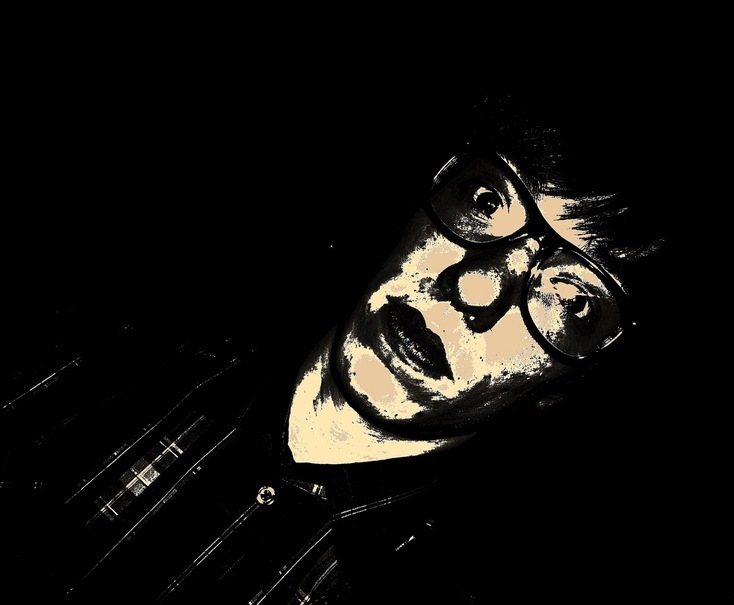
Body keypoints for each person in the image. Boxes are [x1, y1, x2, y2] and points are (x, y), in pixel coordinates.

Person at [1, 91, 675, 604]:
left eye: (572, 302)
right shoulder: (107, 341)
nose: (472, 287)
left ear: (574, 381)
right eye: (484, 200)